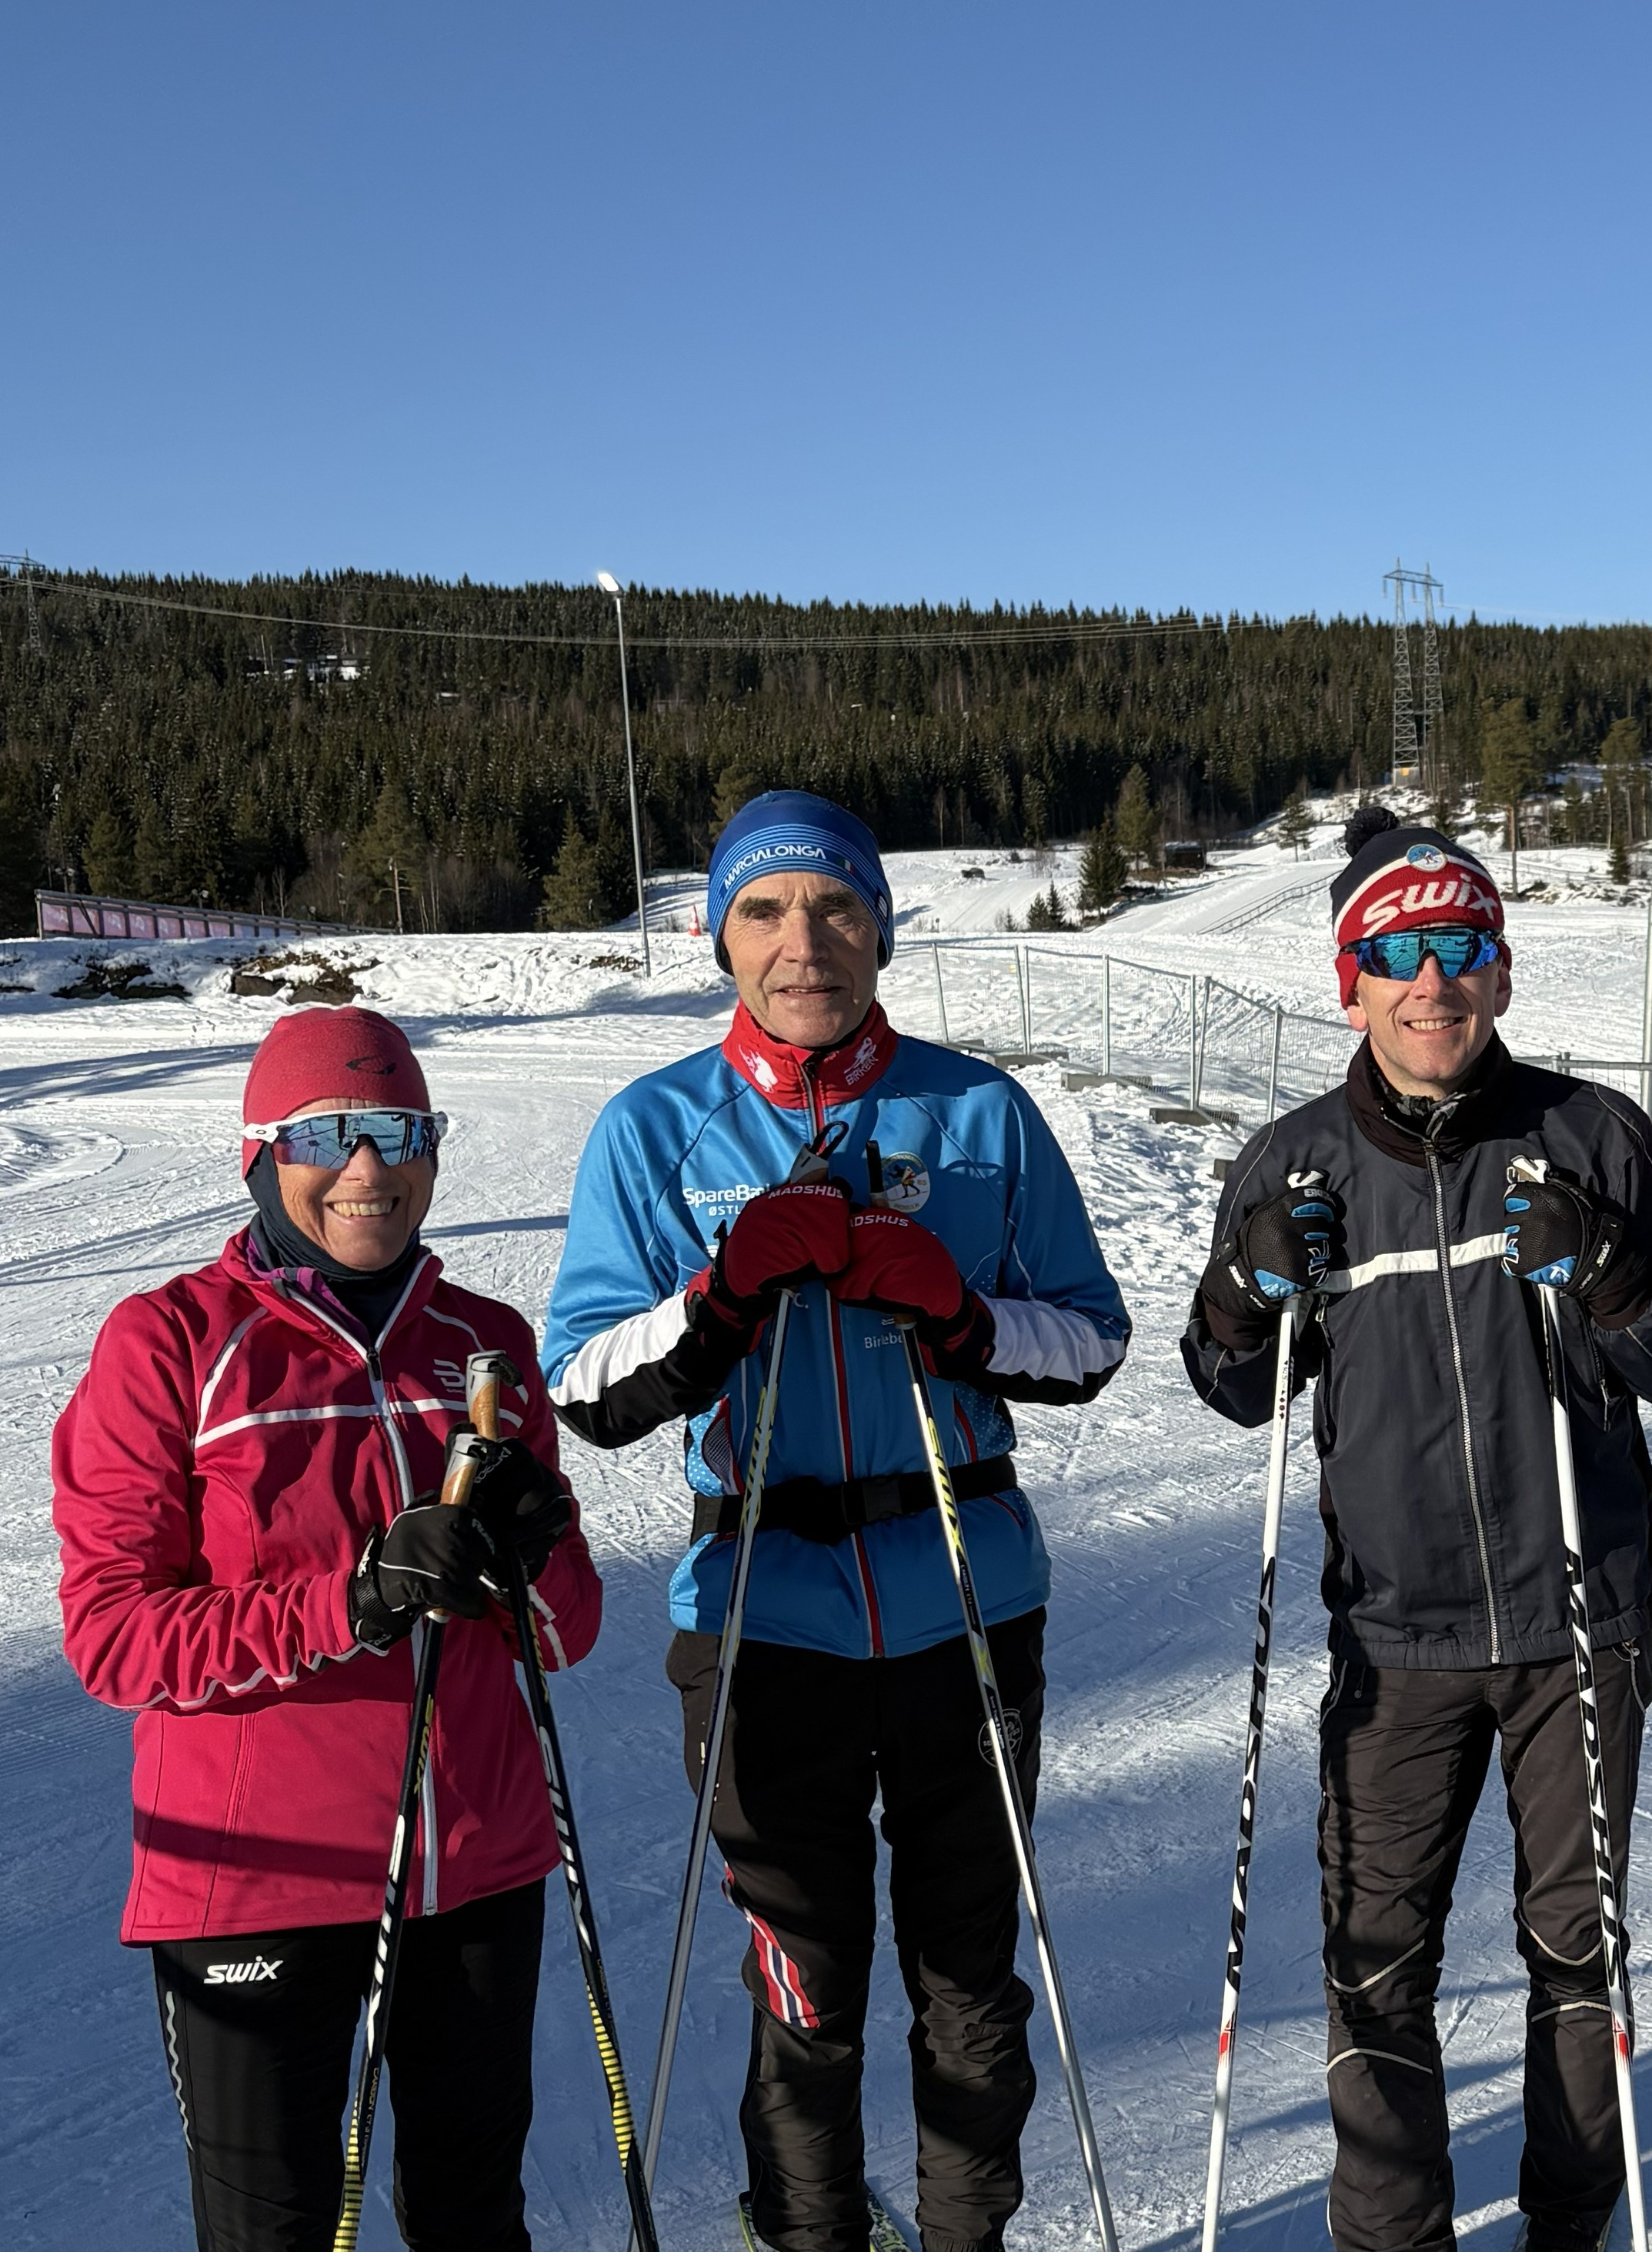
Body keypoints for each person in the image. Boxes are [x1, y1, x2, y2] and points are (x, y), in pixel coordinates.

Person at [542, 791, 1130, 2252]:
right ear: (716, 935)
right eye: (764, 911)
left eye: (837, 908)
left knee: (969, 1981)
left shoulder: (976, 1109)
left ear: (880, 926)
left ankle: (963, 2237)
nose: (804, 943)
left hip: (965, 1599)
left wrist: (953, 1307)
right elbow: (586, 1383)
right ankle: (808, 2237)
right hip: (760, 1618)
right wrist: (725, 1292)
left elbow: (1093, 1342)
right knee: (803, 1986)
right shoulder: (659, 1124)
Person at [1182, 806, 1652, 2252]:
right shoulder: (1295, 1162)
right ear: (1349, 978)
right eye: (1398, 952)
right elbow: (1232, 1391)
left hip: (1577, 1621)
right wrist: (1248, 1292)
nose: (1433, 981)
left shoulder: (1587, 1135)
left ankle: (1567, 2228)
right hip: (1394, 1638)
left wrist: (1609, 1276)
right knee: (1377, 1966)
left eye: (1463, 947)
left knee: (1575, 1952)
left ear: (1502, 969)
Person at [53, 1005, 604, 2252]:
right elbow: (114, 1636)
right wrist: (353, 1598)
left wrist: (531, 1559)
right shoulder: (171, 1344)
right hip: (256, 1879)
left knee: (476, 2219)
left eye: (400, 1132)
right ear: (263, 1152)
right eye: (329, 1134)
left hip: (475, 1859)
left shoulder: (486, 1347)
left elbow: (570, 1636)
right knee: (278, 2235)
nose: (370, 1170)